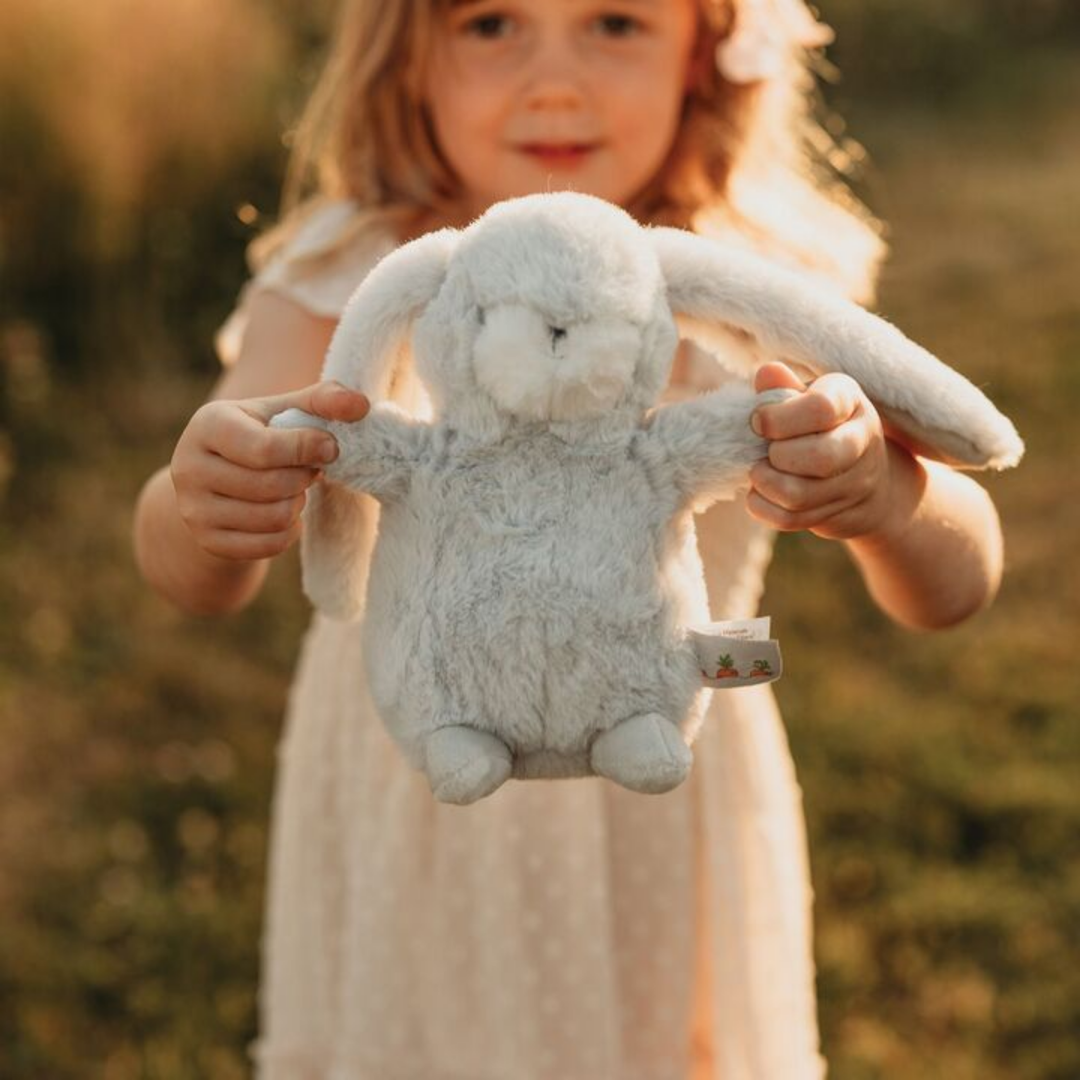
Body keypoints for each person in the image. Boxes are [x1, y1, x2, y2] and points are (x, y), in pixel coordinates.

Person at [133, 1, 1005, 1076]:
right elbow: (192, 572)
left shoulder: (750, 278)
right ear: (408, 58)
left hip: (663, 790)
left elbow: (958, 581)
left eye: (614, 23)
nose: (556, 80)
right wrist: (203, 499)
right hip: (415, 791)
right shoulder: (350, 269)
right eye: (492, 23)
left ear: (704, 52)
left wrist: (882, 499)